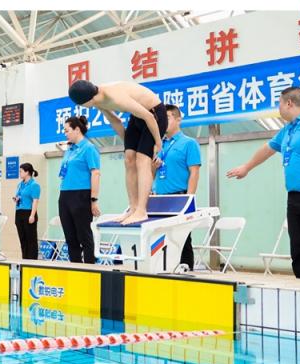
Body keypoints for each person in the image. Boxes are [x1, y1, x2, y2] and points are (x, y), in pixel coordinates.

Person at [226, 86, 300, 281]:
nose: (278, 108)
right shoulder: (288, 129)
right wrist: (247, 167)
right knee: (299, 249)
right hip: (295, 198)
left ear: (289, 103)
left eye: (279, 103)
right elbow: (268, 149)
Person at [67, 79, 166, 224]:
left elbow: (148, 116)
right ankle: (133, 208)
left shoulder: (115, 96)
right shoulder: (97, 100)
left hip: (154, 114)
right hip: (137, 117)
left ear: (86, 102)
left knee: (142, 159)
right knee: (129, 159)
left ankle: (141, 211)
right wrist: (129, 145)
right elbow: (115, 121)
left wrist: (158, 142)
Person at [151, 104, 202, 270]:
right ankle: (164, 269)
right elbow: (151, 174)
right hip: (160, 198)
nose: (163, 122)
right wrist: (154, 167)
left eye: (167, 118)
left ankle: (187, 271)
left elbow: (194, 172)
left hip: (180, 197)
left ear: (178, 119)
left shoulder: (189, 143)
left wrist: (189, 198)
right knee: (162, 237)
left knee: (182, 238)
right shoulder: (159, 145)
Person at [58, 115, 101, 264]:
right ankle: (75, 268)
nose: (65, 133)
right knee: (70, 237)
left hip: (81, 195)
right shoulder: (69, 150)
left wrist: (93, 200)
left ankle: (89, 270)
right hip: (65, 196)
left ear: (77, 129)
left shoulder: (89, 148)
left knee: (84, 236)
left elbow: (95, 173)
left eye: (67, 130)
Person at [13, 163, 41, 261]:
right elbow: (19, 195)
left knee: (31, 239)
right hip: (19, 212)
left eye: (21, 171)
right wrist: (16, 198)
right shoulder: (20, 184)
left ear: (27, 172)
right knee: (23, 239)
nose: (19, 173)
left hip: (28, 212)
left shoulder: (34, 185)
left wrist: (32, 215)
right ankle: (25, 259)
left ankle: (32, 261)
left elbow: (35, 201)